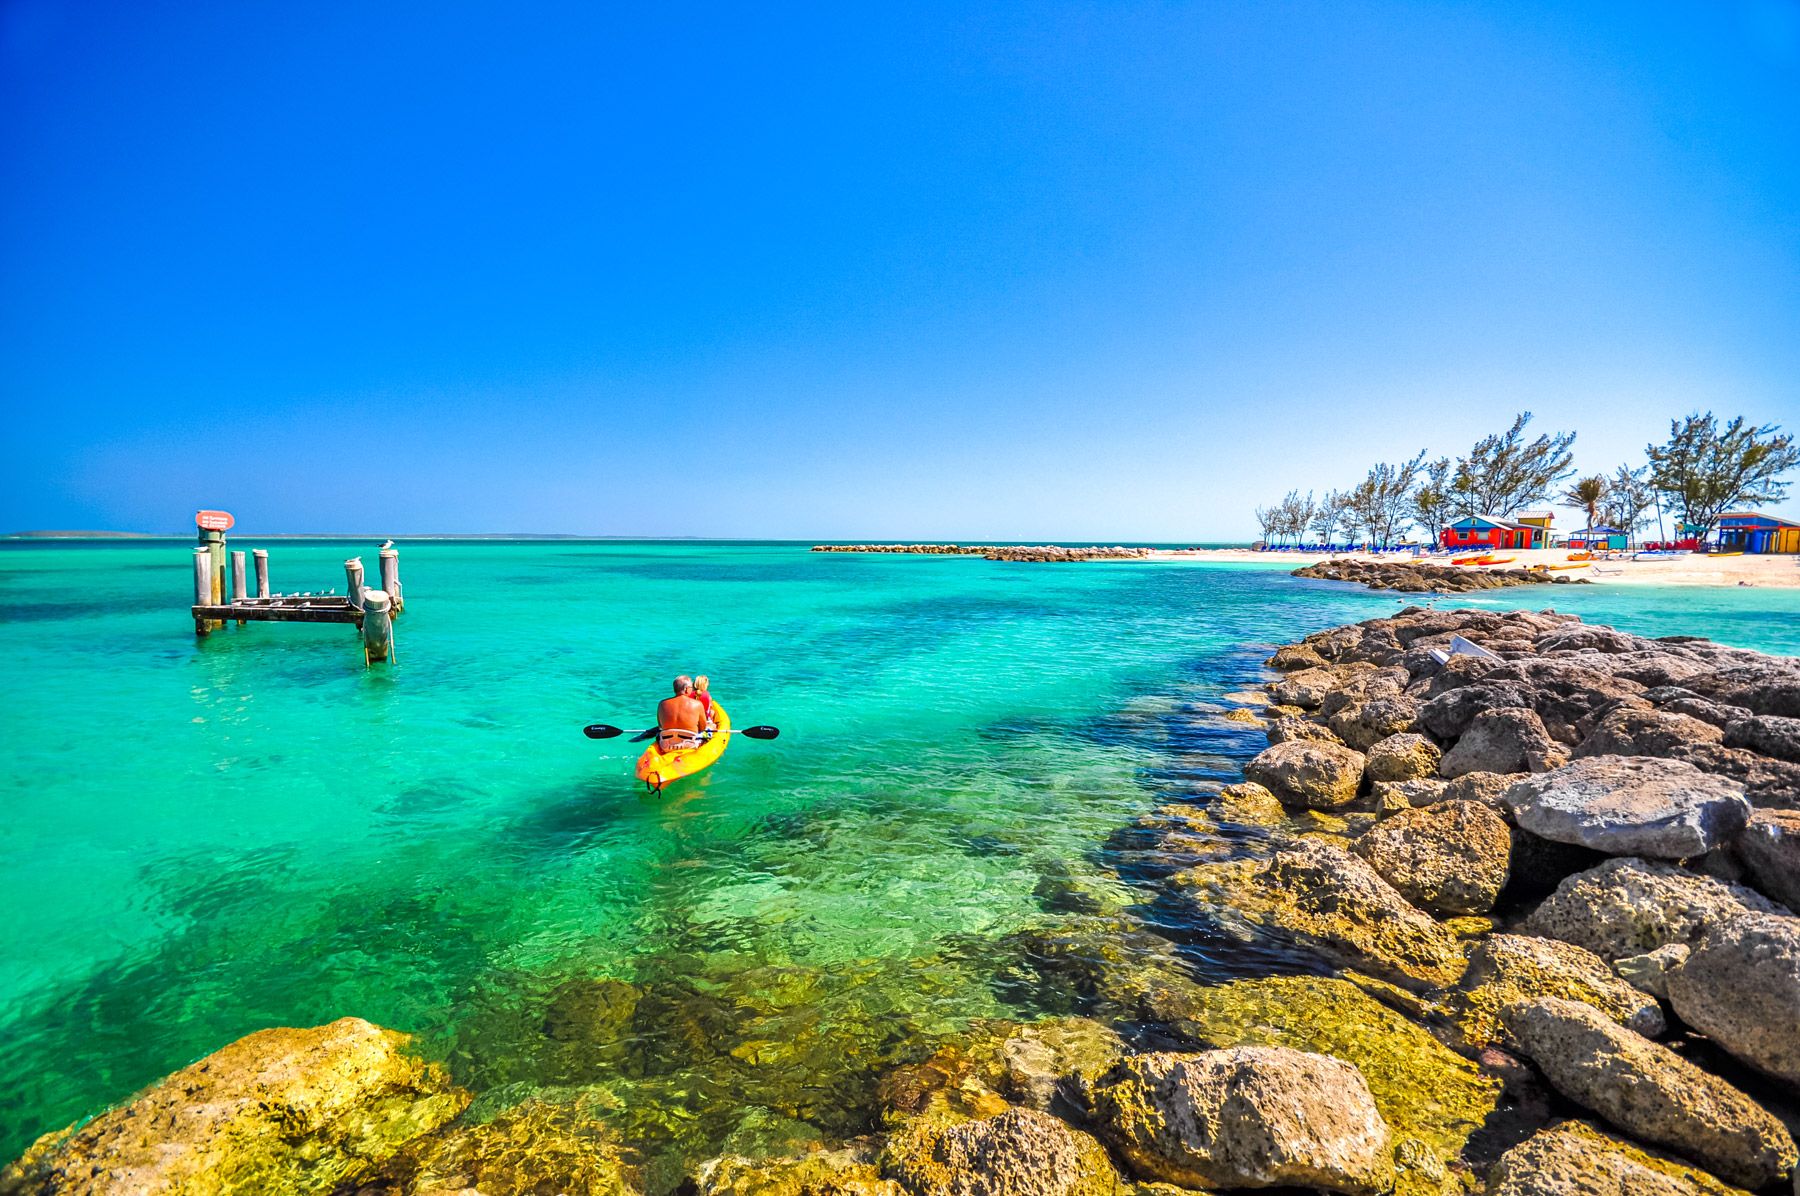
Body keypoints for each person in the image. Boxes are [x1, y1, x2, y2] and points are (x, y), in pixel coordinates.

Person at [656, 675, 708, 750]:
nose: (692, 689)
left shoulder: (662, 704)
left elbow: (660, 726)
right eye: (691, 688)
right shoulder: (697, 704)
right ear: (686, 689)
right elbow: (703, 728)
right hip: (689, 744)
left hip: (666, 745)